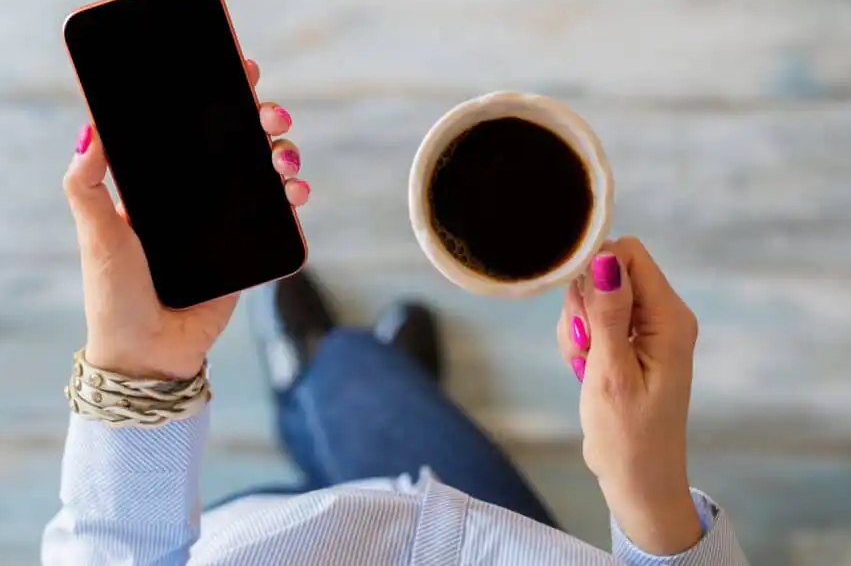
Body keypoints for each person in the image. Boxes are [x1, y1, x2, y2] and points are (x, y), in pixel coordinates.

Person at [42, 59, 749, 565]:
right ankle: (343, 382)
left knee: (346, 383)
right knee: (363, 383)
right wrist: (651, 500)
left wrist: (140, 370)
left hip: (244, 537)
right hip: (473, 520)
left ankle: (314, 387)